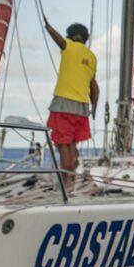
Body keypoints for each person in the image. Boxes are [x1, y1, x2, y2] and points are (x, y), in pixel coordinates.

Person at [43, 20, 99, 185]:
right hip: (82, 108)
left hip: (64, 104)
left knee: (63, 145)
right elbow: (94, 87)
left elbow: (58, 39)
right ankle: (72, 181)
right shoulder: (92, 57)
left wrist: (48, 26)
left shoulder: (68, 46)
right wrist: (94, 108)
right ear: (86, 39)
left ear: (70, 36)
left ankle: (65, 184)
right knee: (72, 145)